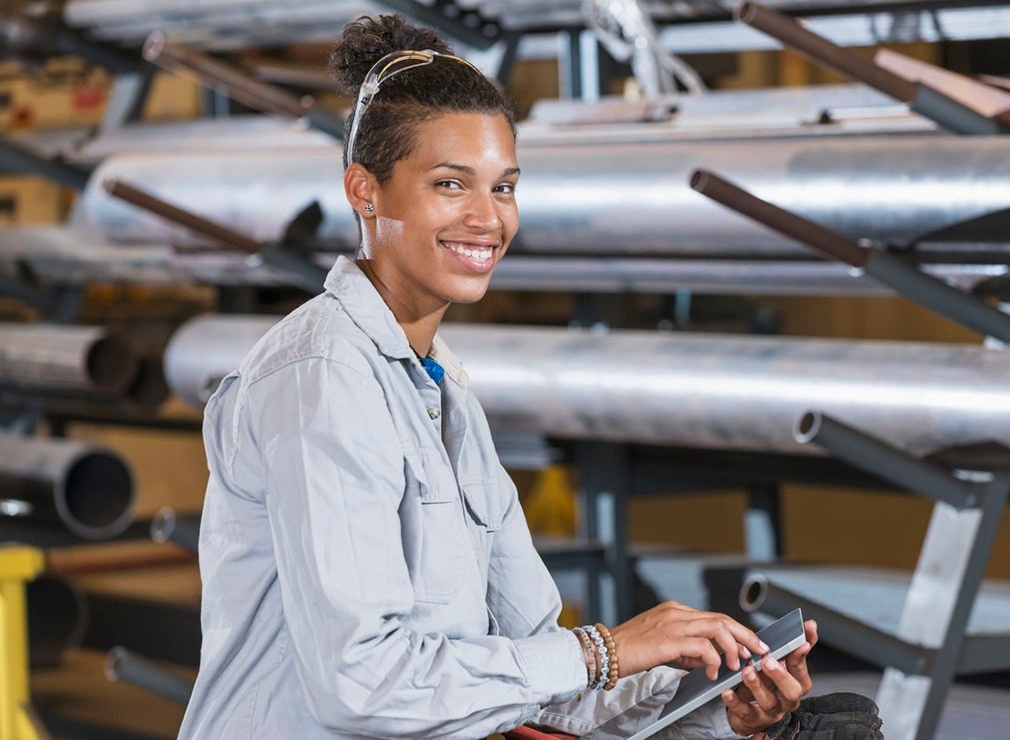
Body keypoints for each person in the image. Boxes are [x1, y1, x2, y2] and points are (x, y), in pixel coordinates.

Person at [178, 14, 882, 740]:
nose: (487, 219)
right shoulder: (320, 381)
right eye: (451, 185)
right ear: (366, 191)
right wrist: (605, 650)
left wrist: (723, 707)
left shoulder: (444, 391)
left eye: (504, 188)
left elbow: (540, 679)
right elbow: (364, 687)